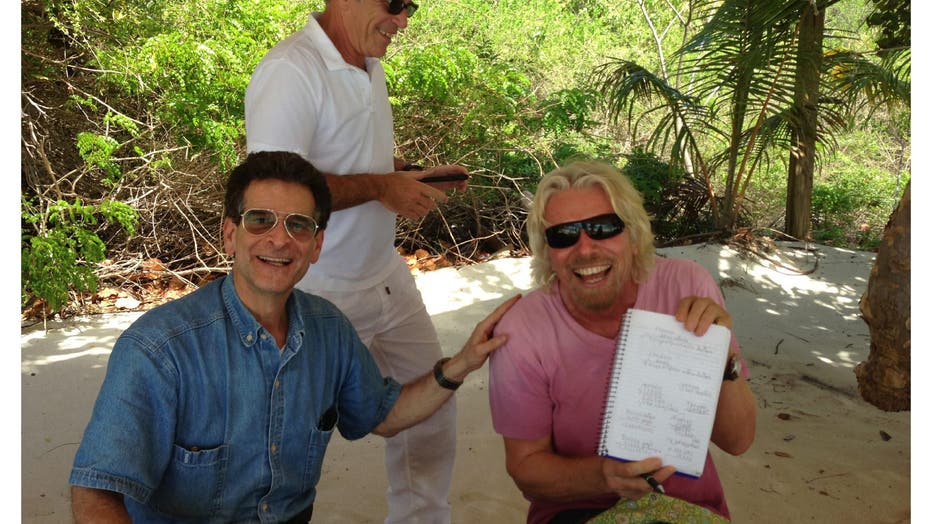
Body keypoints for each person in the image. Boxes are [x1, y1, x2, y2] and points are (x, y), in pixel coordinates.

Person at [69, 151, 516, 523]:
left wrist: (462, 363)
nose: (279, 240)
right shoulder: (160, 348)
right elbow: (95, 492)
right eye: (260, 220)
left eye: (298, 224)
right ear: (230, 234)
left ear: (316, 245)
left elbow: (384, 415)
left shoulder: (329, 331)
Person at [243, 2, 470, 522]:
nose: (404, 19)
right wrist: (380, 187)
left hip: (386, 277)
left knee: (432, 406)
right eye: (395, 4)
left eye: (411, 6)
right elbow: (275, 190)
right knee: (281, 445)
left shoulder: (370, 64)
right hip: (317, 292)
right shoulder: (290, 71)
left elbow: (353, 161)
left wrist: (411, 175)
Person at [487, 160, 757, 524]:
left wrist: (723, 358)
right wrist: (603, 476)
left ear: (633, 234)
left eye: (603, 227)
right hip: (577, 510)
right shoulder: (522, 330)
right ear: (547, 251)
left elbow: (737, 441)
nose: (585, 250)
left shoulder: (686, 286)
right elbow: (525, 469)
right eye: (563, 235)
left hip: (690, 506)